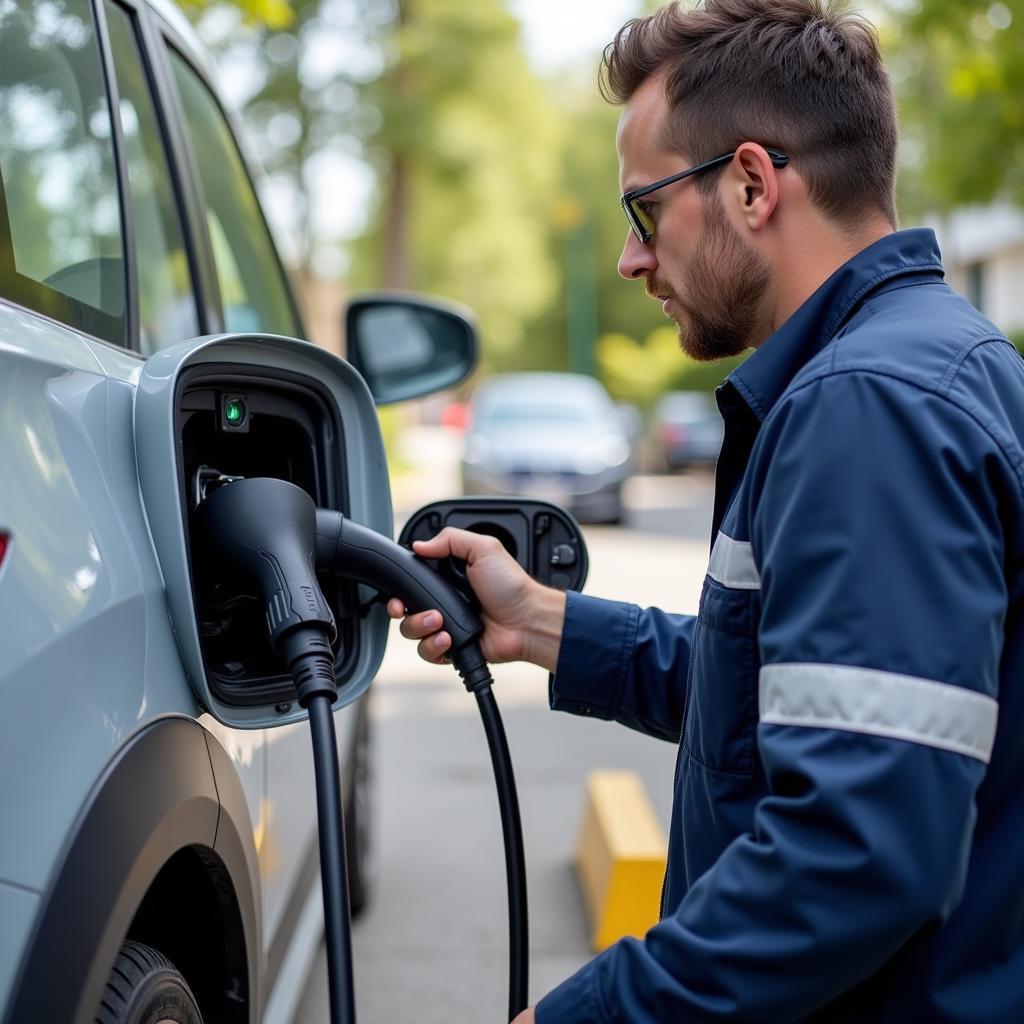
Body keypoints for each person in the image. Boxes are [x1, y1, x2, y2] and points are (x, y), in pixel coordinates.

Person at [390, 1, 1024, 1019]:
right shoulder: (928, 362)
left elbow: (854, 855)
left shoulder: (867, 406)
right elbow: (799, 697)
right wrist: (540, 623)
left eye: (644, 213)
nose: (630, 261)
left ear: (750, 182)